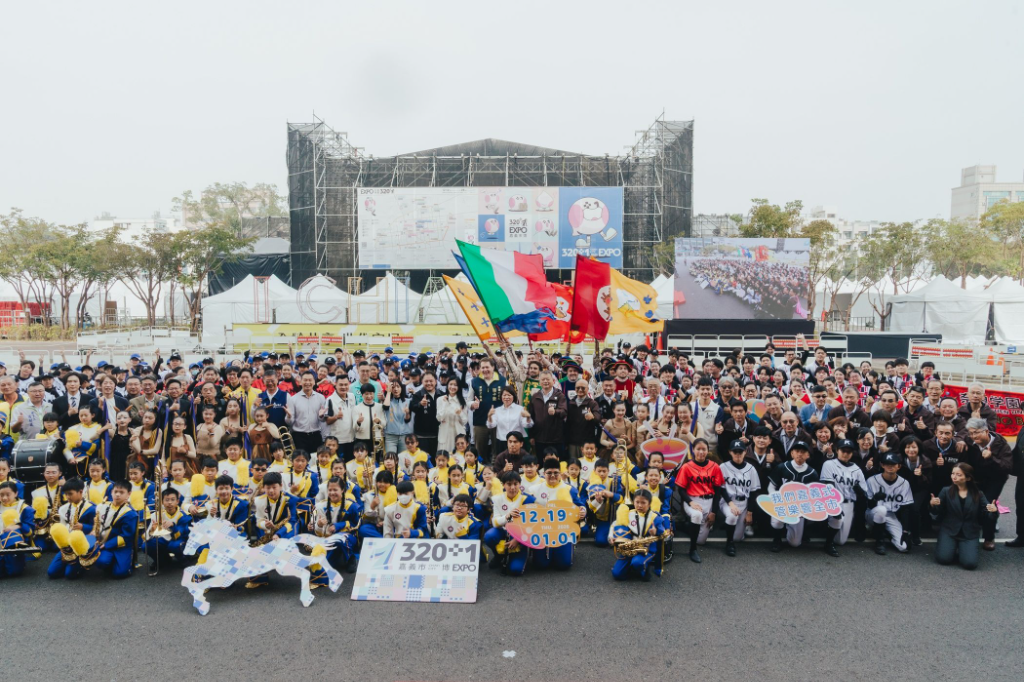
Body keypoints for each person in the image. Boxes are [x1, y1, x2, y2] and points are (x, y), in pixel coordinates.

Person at [930, 463, 997, 570]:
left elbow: (987, 514)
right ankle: (953, 547)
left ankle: (962, 549)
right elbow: (937, 511)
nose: (954, 477)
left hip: (969, 532)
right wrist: (933, 504)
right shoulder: (946, 491)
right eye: (953, 473)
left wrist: (993, 511)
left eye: (959, 475)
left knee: (970, 564)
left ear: (968, 478)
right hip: (949, 530)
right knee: (943, 559)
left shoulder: (978, 494)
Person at [671, 438, 725, 563]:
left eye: (703, 449)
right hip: (692, 500)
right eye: (698, 449)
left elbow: (718, 491)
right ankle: (692, 550)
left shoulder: (715, 466)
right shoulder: (686, 467)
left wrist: (714, 512)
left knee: (701, 540)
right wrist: (690, 502)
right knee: (697, 515)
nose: (701, 452)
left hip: (709, 501)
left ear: (707, 450)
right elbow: (681, 490)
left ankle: (685, 526)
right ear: (693, 450)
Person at [819, 439, 870, 556]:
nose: (846, 453)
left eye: (849, 451)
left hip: (848, 503)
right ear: (837, 450)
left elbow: (864, 491)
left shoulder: (856, 469)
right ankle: (828, 543)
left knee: (841, 541)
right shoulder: (829, 464)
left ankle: (830, 530)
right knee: (837, 519)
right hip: (831, 501)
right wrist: (834, 506)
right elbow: (828, 486)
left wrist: (859, 490)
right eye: (843, 450)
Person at [767, 441, 819, 552]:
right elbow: (771, 486)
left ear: (808, 455)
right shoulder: (782, 467)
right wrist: (775, 500)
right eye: (797, 451)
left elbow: (814, 495)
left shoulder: (812, 473)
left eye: (803, 451)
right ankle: (777, 539)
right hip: (782, 503)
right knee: (777, 522)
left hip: (798, 507)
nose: (799, 454)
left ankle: (792, 527)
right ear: (792, 453)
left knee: (795, 543)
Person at [610, 489, 670, 582]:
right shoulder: (629, 514)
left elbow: (662, 532)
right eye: (637, 502)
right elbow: (615, 525)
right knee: (617, 574)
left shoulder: (655, 517)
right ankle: (633, 567)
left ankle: (643, 571)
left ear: (649, 504)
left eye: (643, 503)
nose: (639, 505)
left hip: (647, 549)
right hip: (631, 548)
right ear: (633, 502)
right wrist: (614, 537)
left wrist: (656, 531)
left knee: (637, 562)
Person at [483, 472, 535, 576]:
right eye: (509, 484)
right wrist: (507, 516)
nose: (512, 487)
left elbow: (531, 525)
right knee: (489, 536)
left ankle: (520, 552)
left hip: (521, 535)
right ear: (503, 485)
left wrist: (517, 540)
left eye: (515, 484)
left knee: (516, 570)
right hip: (503, 531)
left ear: (520, 484)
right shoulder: (497, 499)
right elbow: (495, 522)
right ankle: (499, 555)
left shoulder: (528, 499)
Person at [46, 478, 96, 580]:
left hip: (81, 544)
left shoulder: (92, 508)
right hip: (67, 545)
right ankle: (71, 563)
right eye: (66, 494)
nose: (67, 497)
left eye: (70, 494)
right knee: (52, 572)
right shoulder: (63, 508)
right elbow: (62, 525)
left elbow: (97, 529)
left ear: (80, 492)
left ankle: (83, 563)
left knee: (70, 575)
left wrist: (83, 527)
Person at [718, 440, 761, 556]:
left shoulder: (751, 469)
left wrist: (749, 513)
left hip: (744, 503)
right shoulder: (723, 467)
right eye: (735, 451)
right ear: (730, 452)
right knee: (732, 516)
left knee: (738, 538)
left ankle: (733, 527)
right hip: (728, 501)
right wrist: (731, 504)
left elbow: (753, 492)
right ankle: (729, 543)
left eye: (740, 452)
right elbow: (721, 489)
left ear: (745, 452)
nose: (738, 454)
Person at [865, 452, 914, 555]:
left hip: (891, 516)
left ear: (899, 466)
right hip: (872, 514)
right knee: (881, 510)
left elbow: (906, 509)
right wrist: (874, 499)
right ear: (882, 465)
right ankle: (879, 540)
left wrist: (905, 531)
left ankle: (887, 533)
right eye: (887, 463)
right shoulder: (872, 480)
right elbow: (867, 505)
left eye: (893, 464)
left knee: (904, 547)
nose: (890, 466)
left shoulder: (904, 483)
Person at [311, 476, 360, 576]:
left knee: (340, 539)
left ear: (342, 490)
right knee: (319, 570)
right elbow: (319, 533)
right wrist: (319, 525)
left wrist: (338, 526)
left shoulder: (351, 506)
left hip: (347, 538)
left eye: (335, 490)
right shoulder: (321, 506)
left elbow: (357, 525)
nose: (332, 493)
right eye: (330, 490)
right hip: (328, 540)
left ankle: (350, 558)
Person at [92, 481, 141, 579]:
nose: (117, 494)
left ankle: (126, 560)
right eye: (115, 491)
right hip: (104, 542)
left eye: (121, 492)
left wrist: (106, 545)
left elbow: (126, 536)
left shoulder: (130, 513)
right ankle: (112, 560)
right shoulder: (102, 506)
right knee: (101, 562)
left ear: (129, 494)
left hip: (122, 546)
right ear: (111, 492)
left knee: (120, 573)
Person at [143, 488, 192, 568]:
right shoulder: (156, 515)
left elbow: (182, 535)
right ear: (162, 502)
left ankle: (183, 559)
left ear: (177, 501)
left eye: (172, 500)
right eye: (167, 500)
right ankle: (162, 560)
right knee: (146, 545)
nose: (169, 502)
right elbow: (145, 537)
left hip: (179, 541)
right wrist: (152, 530)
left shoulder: (183, 516)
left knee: (174, 545)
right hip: (164, 540)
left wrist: (173, 526)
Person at [285, 372, 328, 454]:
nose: (307, 382)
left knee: (316, 460)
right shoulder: (293, 399)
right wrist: (289, 416)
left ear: (314, 382)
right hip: (299, 436)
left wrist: (321, 416)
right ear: (300, 382)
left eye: (310, 380)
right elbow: (289, 423)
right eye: (305, 380)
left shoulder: (321, 398)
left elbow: (322, 420)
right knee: (301, 459)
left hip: (315, 435)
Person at [0, 481, 35, 578]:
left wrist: (19, 526)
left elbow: (30, 532)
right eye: (1, 495)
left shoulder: (25, 508)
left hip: (15, 545)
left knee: (13, 572)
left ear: (16, 493)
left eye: (8, 494)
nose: (4, 498)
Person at [435, 376, 468, 454]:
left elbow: (465, 421)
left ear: (459, 387)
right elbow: (439, 418)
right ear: (447, 385)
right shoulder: (441, 399)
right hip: (445, 433)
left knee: (458, 456)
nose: (452, 387)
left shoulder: (463, 401)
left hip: (458, 433)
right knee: (444, 455)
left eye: (455, 385)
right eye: (451, 384)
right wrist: (445, 405)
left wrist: (460, 413)